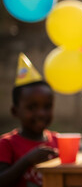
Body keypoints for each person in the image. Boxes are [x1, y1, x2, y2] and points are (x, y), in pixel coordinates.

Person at [0, 53, 58, 187]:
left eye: (47, 106)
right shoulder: (6, 144)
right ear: (15, 111)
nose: (41, 113)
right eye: (32, 107)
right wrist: (26, 161)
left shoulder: (58, 142)